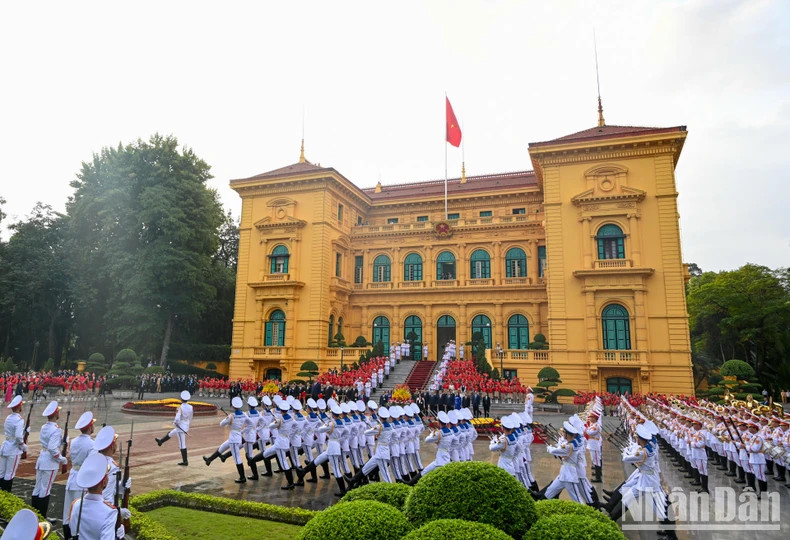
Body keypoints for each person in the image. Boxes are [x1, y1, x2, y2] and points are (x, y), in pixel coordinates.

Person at [69, 452, 127, 540]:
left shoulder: (75, 504)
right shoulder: (109, 512)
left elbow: (73, 531)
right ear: (104, 482)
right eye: (107, 476)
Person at [62, 411, 96, 540]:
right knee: (78, 513)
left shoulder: (74, 441)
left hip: (72, 477)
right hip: (83, 480)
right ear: (89, 428)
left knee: (67, 512)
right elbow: (92, 464)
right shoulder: (92, 444)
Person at [32, 401, 67, 518]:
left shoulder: (44, 427)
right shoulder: (56, 429)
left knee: (38, 487)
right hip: (50, 462)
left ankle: (34, 513)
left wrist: (62, 439)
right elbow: (52, 448)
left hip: (42, 458)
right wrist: (62, 459)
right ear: (55, 413)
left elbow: (48, 443)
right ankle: (42, 515)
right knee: (45, 489)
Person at [204, 396, 247, 483]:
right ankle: (209, 460)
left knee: (237, 458)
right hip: (236, 436)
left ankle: (242, 477)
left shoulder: (232, 416)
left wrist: (227, 419)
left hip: (234, 439)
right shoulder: (244, 414)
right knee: (222, 447)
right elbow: (249, 423)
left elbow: (221, 424)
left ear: (233, 406)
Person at [154, 390, 193, 466]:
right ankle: (161, 441)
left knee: (182, 444)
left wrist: (175, 422)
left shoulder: (180, 407)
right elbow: (190, 417)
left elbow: (177, 418)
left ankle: (185, 461)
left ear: (181, 399)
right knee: (171, 433)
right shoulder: (191, 407)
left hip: (180, 427)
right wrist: (187, 425)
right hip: (185, 426)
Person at [0, 395, 26, 492]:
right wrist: (23, 446)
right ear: (19, 407)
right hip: (13, 449)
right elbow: (18, 436)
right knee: (9, 474)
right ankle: (7, 494)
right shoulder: (19, 419)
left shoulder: (8, 417)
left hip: (5, 446)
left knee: (2, 472)